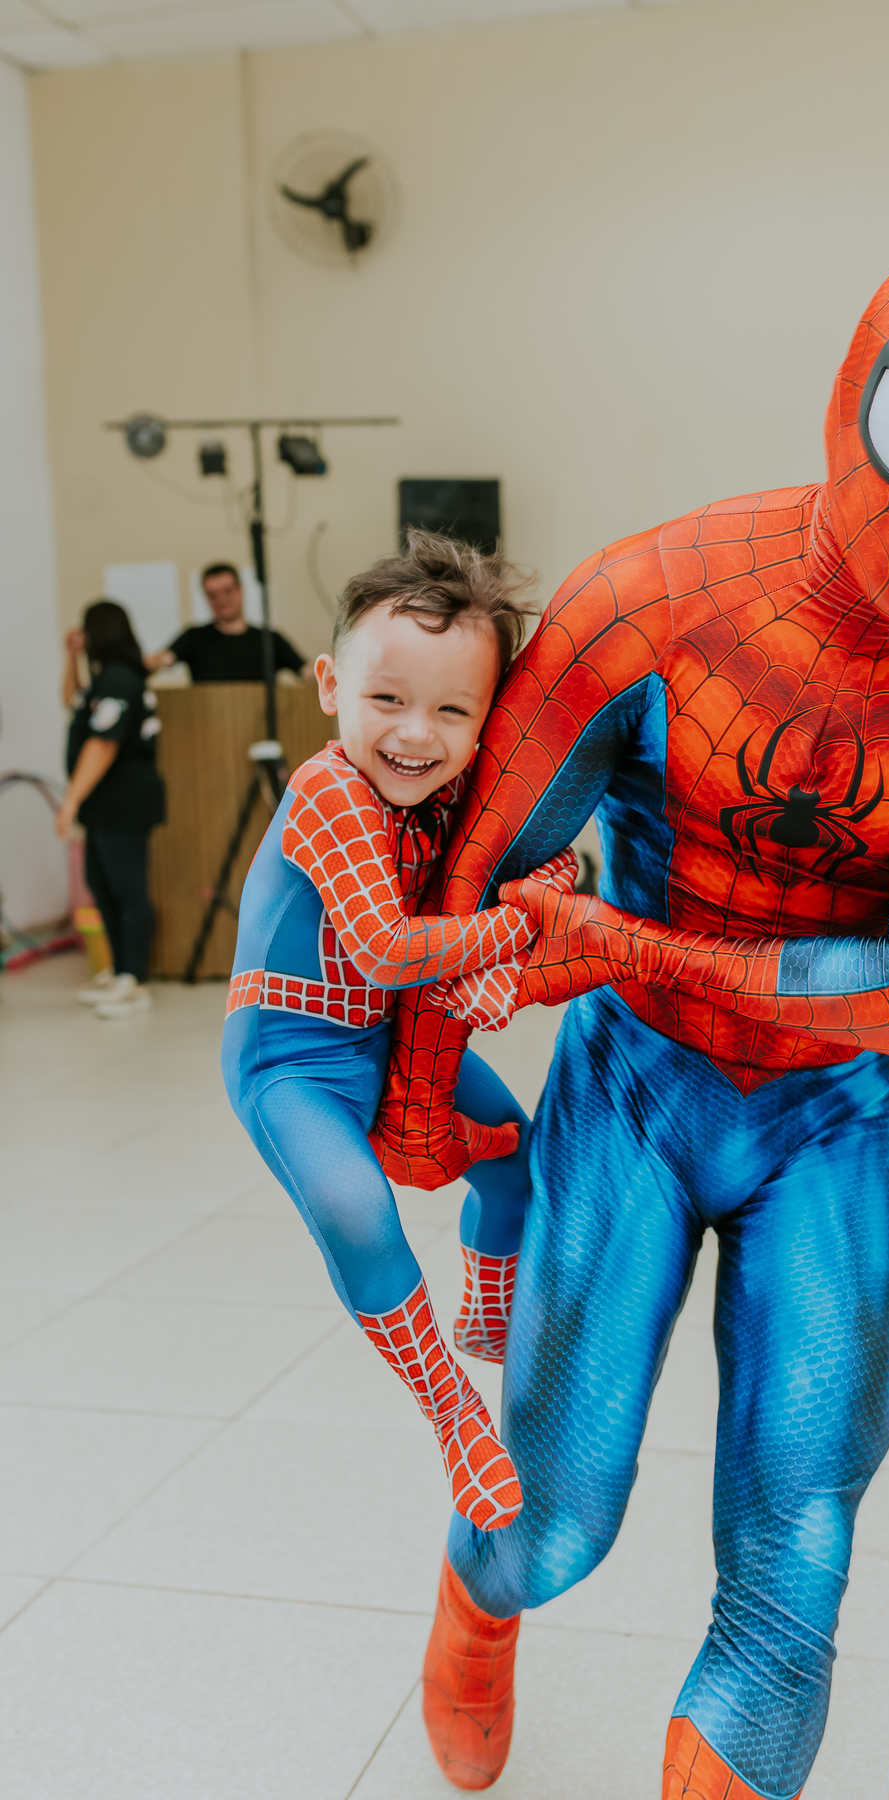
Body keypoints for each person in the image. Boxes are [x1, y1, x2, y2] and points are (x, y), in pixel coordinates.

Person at [371, 242, 889, 1798]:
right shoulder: (656, 600)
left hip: (832, 1113)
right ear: (849, 404)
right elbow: (478, 861)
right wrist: (425, 1092)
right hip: (636, 1087)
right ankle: (475, 1607)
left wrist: (633, 944)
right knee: (557, 1517)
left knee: (798, 1551)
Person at [219, 533, 576, 1533]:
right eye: (388, 700)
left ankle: (489, 1308)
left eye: (453, 711)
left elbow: (545, 864)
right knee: (355, 1207)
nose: (416, 734)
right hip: (288, 1056)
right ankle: (455, 1418)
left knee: (517, 1156)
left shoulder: (450, 795)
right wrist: (518, 927)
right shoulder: (329, 789)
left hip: (385, 1043)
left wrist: (529, 921)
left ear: (486, 724)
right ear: (331, 686)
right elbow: (381, 946)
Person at [60, 600, 166, 1021]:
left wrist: (69, 802)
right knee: (100, 883)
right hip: (104, 804)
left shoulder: (120, 679)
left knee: (127, 888)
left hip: (124, 801)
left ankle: (133, 979)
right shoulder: (105, 678)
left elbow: (103, 743)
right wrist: (70, 657)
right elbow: (72, 699)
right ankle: (118, 969)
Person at [146, 563, 309, 683]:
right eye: (213, 594)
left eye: (227, 591)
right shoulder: (194, 637)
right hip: (209, 724)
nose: (222, 600)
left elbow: (307, 672)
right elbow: (162, 660)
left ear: (240, 590)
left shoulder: (270, 639)